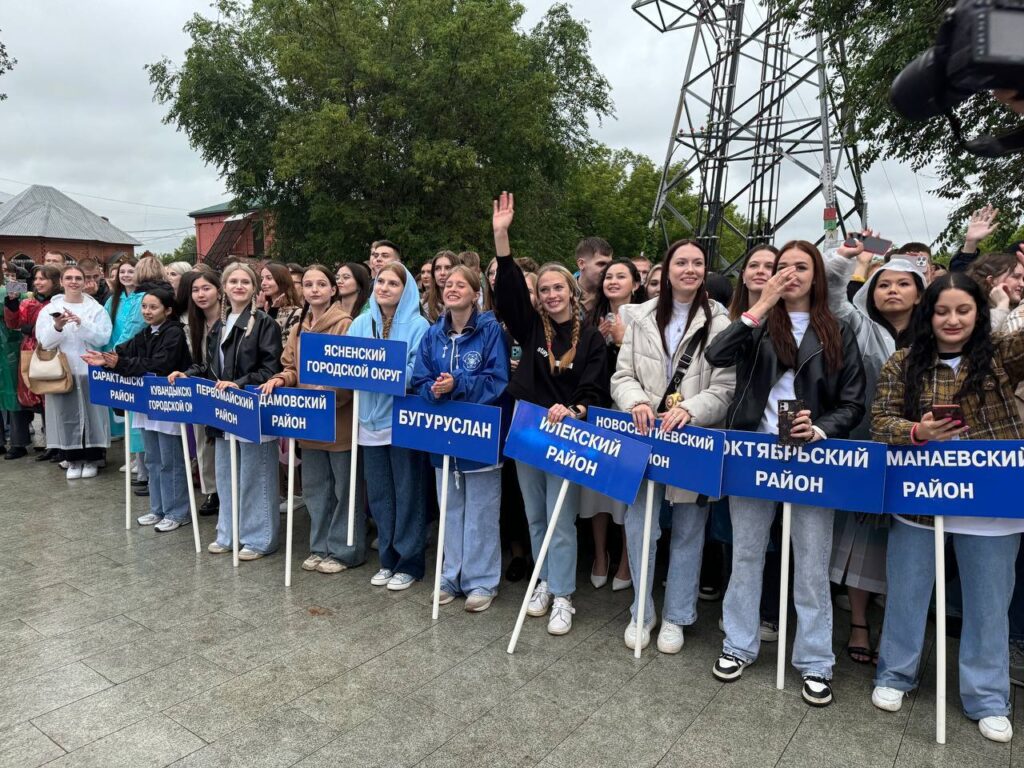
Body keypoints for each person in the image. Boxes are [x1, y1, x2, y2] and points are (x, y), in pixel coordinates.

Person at [705, 240, 866, 707]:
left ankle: (815, 661)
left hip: (811, 456)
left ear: (817, 276)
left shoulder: (837, 327)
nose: (791, 274)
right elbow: (717, 355)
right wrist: (761, 304)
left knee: (812, 564)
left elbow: (854, 401)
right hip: (756, 451)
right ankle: (738, 643)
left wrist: (819, 428)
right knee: (748, 554)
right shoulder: (757, 324)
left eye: (801, 267)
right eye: (782, 267)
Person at [871, 272, 1024, 743]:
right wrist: (916, 432)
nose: (952, 320)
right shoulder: (903, 362)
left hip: (993, 505)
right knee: (907, 594)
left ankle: (988, 695)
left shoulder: (1001, 355)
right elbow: (880, 421)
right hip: (919, 502)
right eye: (941, 311)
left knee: (988, 606)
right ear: (927, 315)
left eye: (963, 310)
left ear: (980, 313)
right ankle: (895, 673)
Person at [492, 191, 609, 635]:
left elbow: (594, 387)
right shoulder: (529, 326)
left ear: (572, 291)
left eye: (559, 287)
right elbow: (506, 295)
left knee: (561, 518)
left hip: (566, 435)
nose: (552, 294)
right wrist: (502, 238)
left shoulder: (592, 338)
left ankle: (563, 595)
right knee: (535, 513)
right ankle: (543, 579)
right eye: (544, 289)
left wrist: (577, 407)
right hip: (527, 431)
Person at [611, 239, 736, 652]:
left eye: (697, 263)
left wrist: (693, 410)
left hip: (692, 439)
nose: (689, 269)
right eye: (680, 262)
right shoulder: (641, 316)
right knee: (640, 524)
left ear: (705, 270)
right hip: (643, 434)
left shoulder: (720, 321)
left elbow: (725, 387)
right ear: (666, 270)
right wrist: (637, 402)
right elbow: (622, 376)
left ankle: (677, 616)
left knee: (688, 530)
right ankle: (641, 610)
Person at [825, 235, 926, 665]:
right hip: (869, 445)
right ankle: (861, 623)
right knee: (861, 539)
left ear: (921, 293)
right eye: (884, 284)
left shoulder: (939, 335)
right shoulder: (862, 327)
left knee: (910, 544)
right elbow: (833, 295)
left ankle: (901, 632)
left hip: (926, 454)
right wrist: (845, 259)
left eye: (903, 284)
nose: (892, 291)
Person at [411, 265, 510, 611]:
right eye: (448, 284)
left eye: (461, 284)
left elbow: (497, 380)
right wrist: (433, 391)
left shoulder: (490, 331)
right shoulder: (433, 334)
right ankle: (450, 576)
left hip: (479, 436)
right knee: (450, 509)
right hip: (443, 436)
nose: (452, 289)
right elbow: (419, 377)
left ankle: (482, 581)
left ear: (475, 293)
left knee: (482, 512)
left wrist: (459, 384)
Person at [170, 262, 283, 560]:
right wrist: (188, 374)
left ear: (254, 288)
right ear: (225, 288)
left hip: (251, 408)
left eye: (245, 281)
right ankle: (228, 533)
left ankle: (260, 538)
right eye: (233, 281)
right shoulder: (220, 325)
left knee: (255, 478)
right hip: (223, 410)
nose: (239, 286)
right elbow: (210, 368)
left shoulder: (265, 324)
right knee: (226, 475)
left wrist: (239, 384)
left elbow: (270, 368)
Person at [261, 265, 365, 573]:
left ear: (333, 290)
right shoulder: (299, 327)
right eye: (308, 284)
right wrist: (282, 379)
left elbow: (350, 373)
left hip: (337, 421)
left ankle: (346, 550)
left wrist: (330, 396)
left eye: (322, 284)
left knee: (345, 489)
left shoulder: (346, 324)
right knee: (316, 487)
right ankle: (319, 546)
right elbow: (290, 366)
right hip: (307, 420)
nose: (315, 289)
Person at [82, 285, 193, 531]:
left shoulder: (174, 333)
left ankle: (178, 511)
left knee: (170, 460)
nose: (147, 311)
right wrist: (106, 359)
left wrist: (121, 363)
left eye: (153, 307)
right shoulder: (145, 333)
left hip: (168, 403)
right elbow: (123, 351)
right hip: (146, 403)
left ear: (168, 309)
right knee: (152, 459)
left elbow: (160, 364)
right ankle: (158, 508)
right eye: (144, 306)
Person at [348, 262, 430, 590]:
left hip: (401, 422)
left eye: (393, 283)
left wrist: (385, 372)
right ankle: (387, 559)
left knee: (407, 492)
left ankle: (409, 561)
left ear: (405, 289)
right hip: (367, 421)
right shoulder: (358, 323)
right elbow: (345, 364)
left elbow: (417, 371)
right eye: (380, 281)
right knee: (380, 495)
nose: (384, 288)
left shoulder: (418, 325)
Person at [582, 258, 647, 591]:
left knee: (627, 491)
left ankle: (625, 560)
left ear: (636, 284)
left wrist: (622, 341)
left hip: (630, 414)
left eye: (621, 276)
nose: (613, 281)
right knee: (596, 490)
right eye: (608, 276)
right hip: (597, 411)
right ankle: (599, 556)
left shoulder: (647, 318)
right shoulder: (590, 318)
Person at [35, 264, 113, 479]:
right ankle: (71, 458)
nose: (73, 282)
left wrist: (81, 323)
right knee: (65, 414)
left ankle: (93, 457)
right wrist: (58, 326)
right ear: (61, 282)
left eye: (78, 278)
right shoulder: (49, 309)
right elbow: (44, 341)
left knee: (93, 415)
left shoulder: (95, 308)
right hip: (63, 371)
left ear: (85, 281)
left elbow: (103, 337)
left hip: (89, 370)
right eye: (68, 278)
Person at [4, 265, 61, 461]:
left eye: (43, 279)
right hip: (29, 352)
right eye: (36, 279)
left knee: (50, 398)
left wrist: (34, 329)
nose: (38, 282)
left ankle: (55, 444)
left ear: (54, 281)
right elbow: (13, 323)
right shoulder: (27, 302)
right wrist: (11, 304)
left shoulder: (59, 302)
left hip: (52, 352)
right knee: (27, 396)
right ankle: (20, 443)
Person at [177, 271, 220, 515]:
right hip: (201, 386)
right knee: (203, 440)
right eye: (196, 290)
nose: (201, 295)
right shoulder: (191, 323)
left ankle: (227, 489)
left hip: (227, 388)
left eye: (206, 288)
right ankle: (212, 490)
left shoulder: (229, 320)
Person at [0, 263, 31, 459]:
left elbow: (28, 296)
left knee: (13, 392)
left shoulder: (11, 286)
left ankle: (19, 442)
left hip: (8, 346)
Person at [728, 245, 779, 320]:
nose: (760, 271)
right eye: (753, 265)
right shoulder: (725, 321)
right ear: (743, 275)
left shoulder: (792, 322)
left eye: (769, 266)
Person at [259, 262, 303, 348]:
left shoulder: (297, 313)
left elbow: (283, 347)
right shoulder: (262, 309)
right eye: (262, 279)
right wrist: (260, 310)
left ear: (282, 280)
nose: (263, 283)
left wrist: (272, 314)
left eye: (269, 278)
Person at [575, 237, 614, 314]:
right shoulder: (562, 294)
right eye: (601, 264)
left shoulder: (612, 294)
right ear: (581, 264)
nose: (607, 269)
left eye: (609, 264)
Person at [424, 250, 461, 323]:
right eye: (437, 268)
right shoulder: (424, 307)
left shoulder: (466, 303)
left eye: (447, 268)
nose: (442, 273)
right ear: (433, 273)